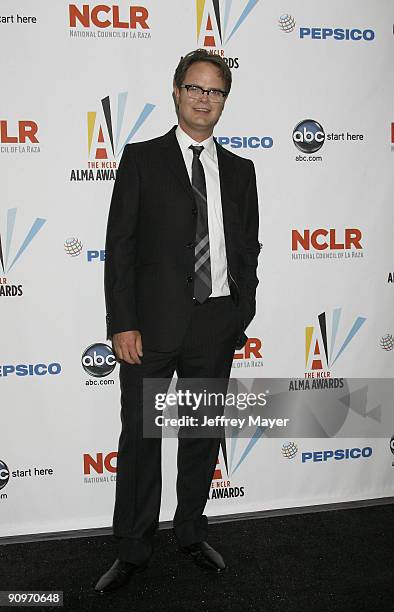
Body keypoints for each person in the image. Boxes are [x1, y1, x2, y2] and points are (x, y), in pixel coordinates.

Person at [95, 48, 260, 593]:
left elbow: (246, 249)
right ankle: (134, 547)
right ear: (176, 91)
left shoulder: (240, 170)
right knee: (141, 440)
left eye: (214, 91)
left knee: (200, 436)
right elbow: (119, 247)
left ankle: (190, 531)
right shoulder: (141, 159)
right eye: (195, 88)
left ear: (224, 101)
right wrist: (123, 321)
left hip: (214, 327)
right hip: (149, 331)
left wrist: (243, 309)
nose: (203, 99)